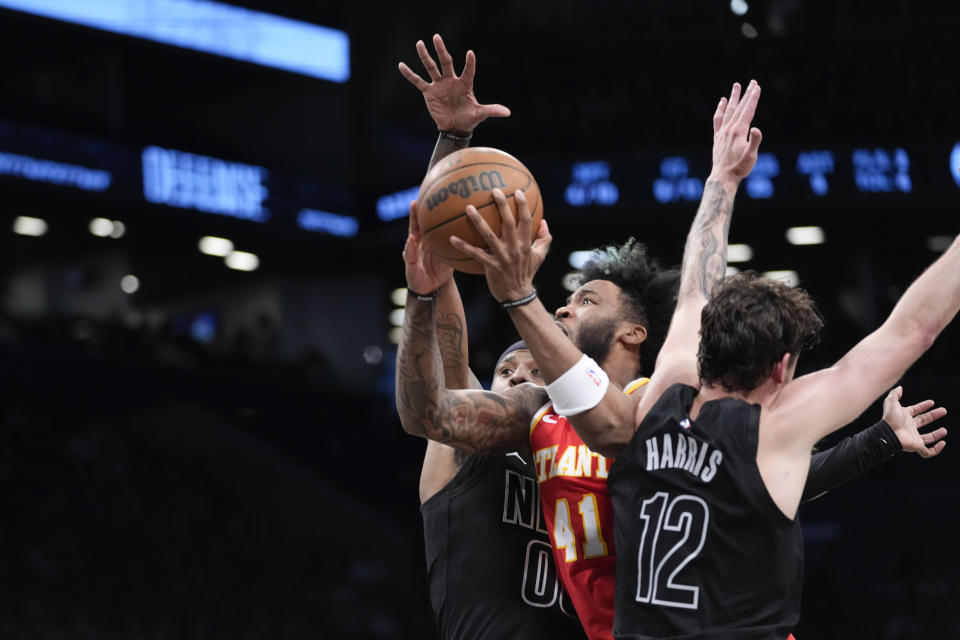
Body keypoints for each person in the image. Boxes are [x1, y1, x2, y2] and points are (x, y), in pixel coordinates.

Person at [396, 67, 946, 639]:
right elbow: (432, 409)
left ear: (635, 333)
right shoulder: (543, 410)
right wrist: (451, 154)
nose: (565, 310)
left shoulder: (656, 403)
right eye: (563, 303)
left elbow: (762, 464)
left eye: (585, 299)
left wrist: (516, 294)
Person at [538, 95, 960, 635]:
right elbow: (910, 331)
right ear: (782, 369)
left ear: (703, 346)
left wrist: (723, 176)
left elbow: (695, 290)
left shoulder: (660, 396)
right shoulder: (776, 432)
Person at [397, 35, 586, 640]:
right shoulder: (468, 432)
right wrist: (453, 142)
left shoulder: (583, 451)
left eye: (536, 372)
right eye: (508, 371)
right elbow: (437, 254)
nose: (523, 378)